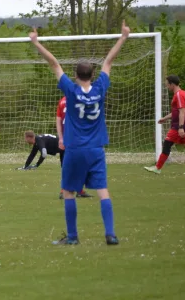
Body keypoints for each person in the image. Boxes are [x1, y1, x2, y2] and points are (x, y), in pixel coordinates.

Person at [29, 20, 130, 246]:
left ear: (75, 74)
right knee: (102, 190)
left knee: (68, 191)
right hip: (96, 149)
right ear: (93, 74)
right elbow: (109, 61)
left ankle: (73, 237)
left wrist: (36, 42)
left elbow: (54, 63)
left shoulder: (71, 91)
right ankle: (111, 234)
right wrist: (123, 37)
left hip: (74, 149)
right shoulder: (100, 87)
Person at [145, 75, 185, 175]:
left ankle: (157, 168)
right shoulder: (184, 93)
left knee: (167, 144)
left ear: (172, 84)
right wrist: (164, 118)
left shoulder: (178, 95)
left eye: (167, 85)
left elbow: (182, 111)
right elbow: (177, 111)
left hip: (178, 125)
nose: (167, 87)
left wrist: (180, 127)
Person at [19, 131, 91, 199]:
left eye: (25, 138)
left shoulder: (39, 140)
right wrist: (26, 166)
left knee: (72, 170)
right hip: (63, 149)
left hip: (66, 147)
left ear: (29, 137)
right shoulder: (37, 141)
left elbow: (44, 154)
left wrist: (36, 165)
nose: (25, 140)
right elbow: (32, 154)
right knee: (69, 170)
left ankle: (74, 191)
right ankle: (77, 191)